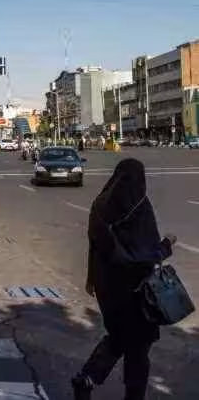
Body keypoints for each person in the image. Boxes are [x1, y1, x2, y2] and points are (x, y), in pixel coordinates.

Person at [72, 158, 177, 400]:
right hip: (136, 291)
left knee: (119, 337)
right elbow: (145, 256)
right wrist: (167, 245)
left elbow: (95, 246)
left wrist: (91, 279)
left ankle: (87, 378)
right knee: (138, 348)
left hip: (108, 289)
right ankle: (131, 395)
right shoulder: (139, 207)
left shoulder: (100, 204)